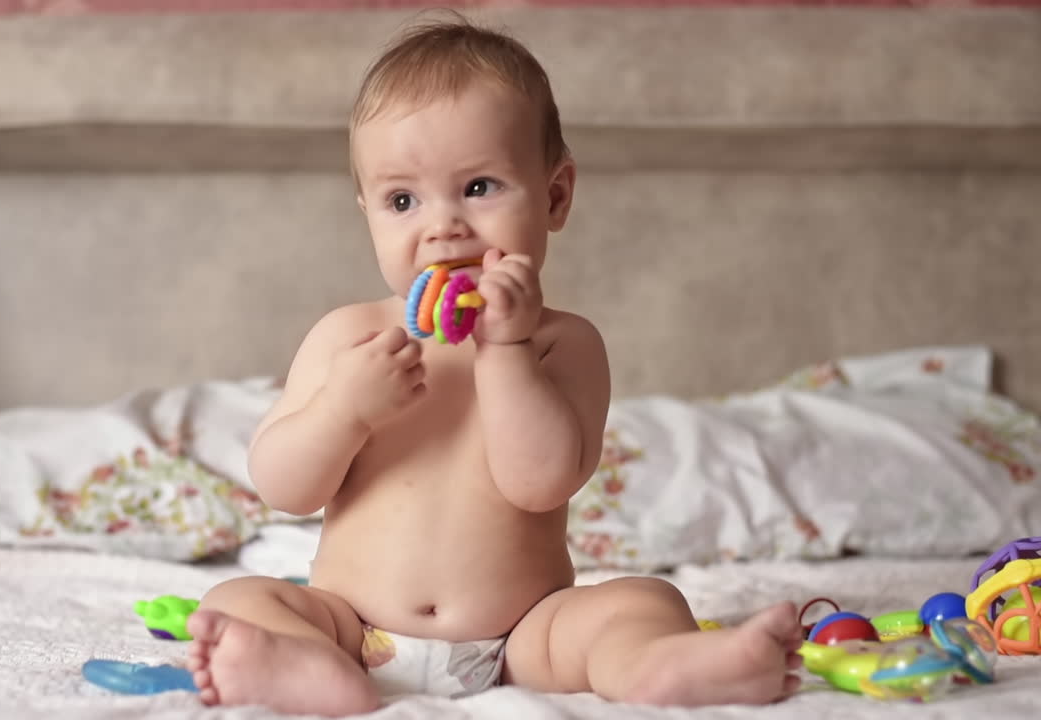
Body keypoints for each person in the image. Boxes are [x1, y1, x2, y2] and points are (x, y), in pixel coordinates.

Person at [185, 17, 803, 716]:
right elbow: (283, 486)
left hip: (521, 638)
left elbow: (539, 483)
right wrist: (341, 410)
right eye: (402, 200)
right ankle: (308, 671)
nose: (443, 224)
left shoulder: (562, 344)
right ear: (368, 212)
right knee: (241, 599)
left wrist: (505, 352)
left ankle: (659, 664)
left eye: (479, 187)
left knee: (643, 600)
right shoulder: (349, 337)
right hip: (353, 626)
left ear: (555, 195)